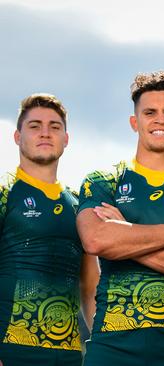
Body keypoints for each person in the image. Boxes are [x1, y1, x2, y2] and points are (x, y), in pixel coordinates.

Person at [76, 71, 164, 366]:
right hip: (113, 342)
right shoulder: (104, 181)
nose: (160, 120)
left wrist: (125, 235)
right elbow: (95, 240)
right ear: (135, 122)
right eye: (150, 112)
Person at [0, 94, 99, 366]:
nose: (45, 133)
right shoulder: (5, 194)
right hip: (11, 351)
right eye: (34, 126)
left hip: (67, 356)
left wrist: (104, 345)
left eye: (55, 127)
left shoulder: (80, 207)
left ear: (66, 139)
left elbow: (90, 287)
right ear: (17, 137)